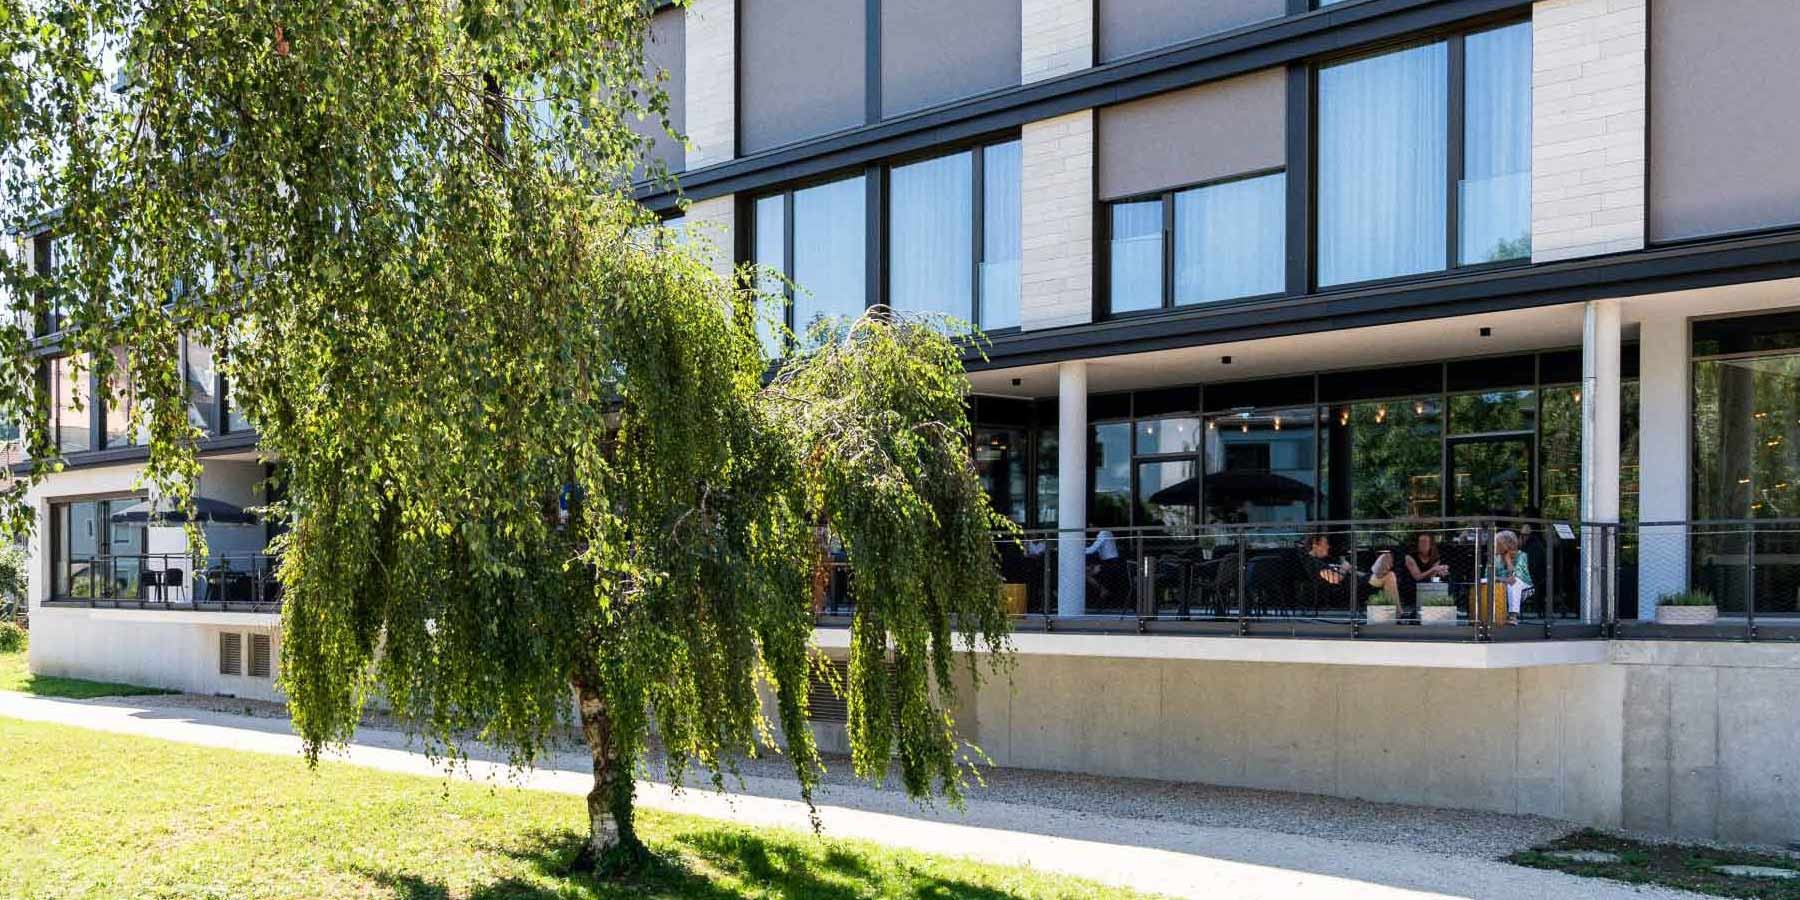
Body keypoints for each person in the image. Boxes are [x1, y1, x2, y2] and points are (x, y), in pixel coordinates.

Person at [1494, 529, 1533, 624]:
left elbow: (1513, 579)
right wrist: (1502, 580)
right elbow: (1488, 577)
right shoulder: (1495, 557)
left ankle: (1513, 616)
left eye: (1498, 543)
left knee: (1514, 585)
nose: (1495, 545)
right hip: (1501, 586)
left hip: (1524, 587)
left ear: (1507, 544)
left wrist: (1508, 560)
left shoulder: (1521, 556)